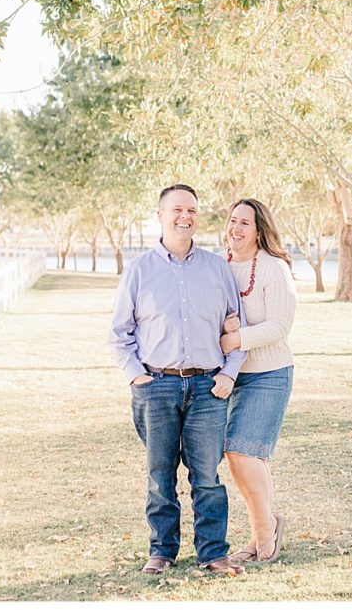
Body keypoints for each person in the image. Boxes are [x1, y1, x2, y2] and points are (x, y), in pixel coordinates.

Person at [108, 183, 248, 577]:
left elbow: (236, 330)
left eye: (192, 211)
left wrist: (228, 374)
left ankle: (213, 553)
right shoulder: (139, 270)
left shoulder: (217, 268)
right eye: (177, 210)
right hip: (156, 386)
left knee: (207, 477)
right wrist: (136, 376)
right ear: (160, 215)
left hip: (208, 387)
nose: (185, 217)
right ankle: (162, 551)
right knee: (160, 474)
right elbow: (120, 334)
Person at [218, 198, 296, 564]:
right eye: (232, 221)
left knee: (242, 452)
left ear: (259, 230)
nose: (236, 228)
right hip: (232, 376)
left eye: (244, 223)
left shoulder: (273, 268)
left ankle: (265, 534)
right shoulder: (220, 267)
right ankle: (264, 531)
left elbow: (279, 326)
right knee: (247, 458)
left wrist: (235, 339)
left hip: (269, 373)